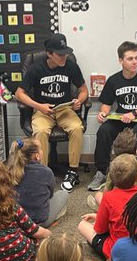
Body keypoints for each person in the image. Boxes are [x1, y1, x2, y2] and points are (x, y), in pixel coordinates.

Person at [16, 33, 88, 191]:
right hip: (43, 110)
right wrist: (39, 106)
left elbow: (83, 90)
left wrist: (79, 101)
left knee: (77, 128)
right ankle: (42, 173)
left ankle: (72, 172)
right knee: (40, 131)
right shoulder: (36, 68)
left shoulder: (71, 66)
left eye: (65, 54)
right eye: (59, 54)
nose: (63, 57)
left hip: (65, 109)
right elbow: (19, 93)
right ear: (49, 53)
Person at [89, 42, 137, 189]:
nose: (135, 61)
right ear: (121, 61)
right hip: (122, 118)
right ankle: (101, 172)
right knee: (103, 131)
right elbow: (106, 104)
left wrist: (134, 114)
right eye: (130, 59)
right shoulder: (114, 80)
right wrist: (103, 113)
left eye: (136, 58)